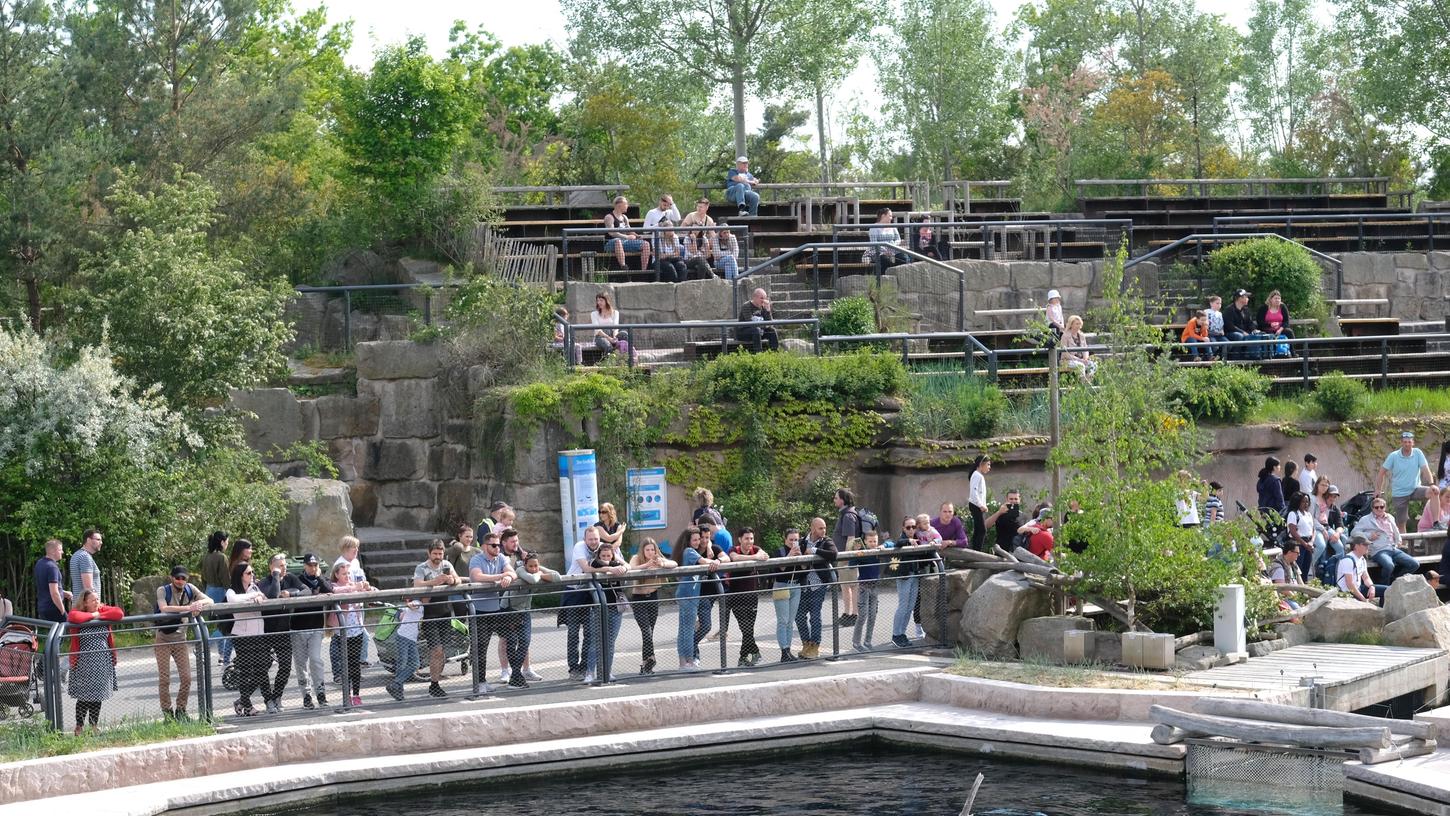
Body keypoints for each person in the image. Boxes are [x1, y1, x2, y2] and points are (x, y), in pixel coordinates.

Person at [153, 566, 211, 721]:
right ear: (172, 578)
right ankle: (167, 713)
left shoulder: (190, 589)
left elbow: (210, 600)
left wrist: (199, 605)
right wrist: (188, 608)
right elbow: (164, 608)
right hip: (163, 639)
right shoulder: (162, 590)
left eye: (183, 578)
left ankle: (181, 710)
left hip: (180, 640)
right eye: (178, 578)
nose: (180, 581)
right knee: (164, 679)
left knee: (186, 678)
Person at [256, 552, 307, 714]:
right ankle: (268, 700)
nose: (284, 568)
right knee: (262, 666)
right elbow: (272, 595)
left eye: (285, 565)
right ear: (271, 567)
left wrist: (292, 594)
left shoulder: (291, 578)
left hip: (283, 630)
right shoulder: (264, 582)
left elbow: (307, 591)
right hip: (266, 632)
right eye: (280, 566)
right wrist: (276, 576)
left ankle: (277, 696)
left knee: (285, 666)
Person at [66, 590, 122, 734]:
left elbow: (118, 613)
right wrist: (94, 616)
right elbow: (74, 616)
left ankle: (93, 725)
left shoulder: (101, 610)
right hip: (84, 663)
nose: (97, 602)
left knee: (98, 695)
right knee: (84, 696)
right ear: (84, 602)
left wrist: (99, 614)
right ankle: (79, 726)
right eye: (93, 600)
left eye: (97, 599)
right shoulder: (78, 612)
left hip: (102, 662)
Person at [469, 532, 518, 693]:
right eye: (494, 545)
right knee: (480, 648)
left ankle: (514, 675)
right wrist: (501, 576)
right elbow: (477, 577)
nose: (498, 548)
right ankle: (479, 683)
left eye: (499, 545)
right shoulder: (476, 559)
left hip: (495, 610)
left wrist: (508, 577)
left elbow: (513, 573)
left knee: (510, 639)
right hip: (479, 610)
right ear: (484, 546)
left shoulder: (502, 558)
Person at [505, 551, 560, 687]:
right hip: (510, 609)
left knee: (525, 641)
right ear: (525, 565)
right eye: (531, 566)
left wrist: (540, 571)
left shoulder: (537, 570)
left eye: (536, 566)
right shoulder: (520, 570)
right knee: (512, 642)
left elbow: (558, 577)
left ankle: (515, 675)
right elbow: (533, 580)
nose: (534, 568)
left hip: (525, 610)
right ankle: (516, 677)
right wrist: (540, 575)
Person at [414, 539, 461, 698]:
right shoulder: (421, 567)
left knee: (443, 652)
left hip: (445, 613)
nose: (438, 557)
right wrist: (435, 582)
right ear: (428, 553)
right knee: (436, 650)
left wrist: (452, 580)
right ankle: (434, 684)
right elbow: (417, 585)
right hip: (429, 614)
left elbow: (458, 579)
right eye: (435, 553)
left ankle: (436, 682)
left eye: (440, 554)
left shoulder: (447, 565)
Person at [675, 526, 724, 671]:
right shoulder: (689, 552)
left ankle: (684, 662)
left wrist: (711, 552)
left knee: (684, 630)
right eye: (695, 540)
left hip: (690, 595)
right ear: (688, 541)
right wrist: (716, 562)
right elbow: (704, 561)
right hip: (688, 595)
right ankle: (688, 661)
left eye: (699, 539)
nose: (698, 542)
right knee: (687, 630)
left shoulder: (689, 551)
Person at [226, 561, 269, 717]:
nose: (252, 576)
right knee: (246, 670)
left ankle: (242, 701)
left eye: (253, 573)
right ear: (240, 575)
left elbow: (264, 597)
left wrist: (259, 595)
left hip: (258, 634)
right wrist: (253, 596)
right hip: (242, 635)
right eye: (248, 573)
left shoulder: (255, 588)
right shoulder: (232, 590)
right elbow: (233, 600)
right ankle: (248, 705)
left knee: (262, 668)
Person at [627, 538, 675, 674]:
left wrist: (662, 563)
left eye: (652, 549)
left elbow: (674, 563)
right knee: (646, 632)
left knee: (649, 633)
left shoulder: (657, 558)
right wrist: (647, 565)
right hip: (639, 599)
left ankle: (645, 664)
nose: (650, 552)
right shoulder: (636, 558)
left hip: (653, 597)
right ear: (643, 550)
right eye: (647, 549)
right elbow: (631, 567)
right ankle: (651, 658)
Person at [562, 526, 604, 679]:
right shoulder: (579, 547)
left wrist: (623, 566)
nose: (594, 542)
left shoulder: (601, 547)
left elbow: (616, 558)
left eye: (596, 539)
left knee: (590, 633)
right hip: (573, 591)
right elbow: (586, 568)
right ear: (585, 539)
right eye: (591, 539)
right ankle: (574, 669)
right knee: (573, 632)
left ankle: (585, 667)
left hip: (589, 592)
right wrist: (610, 569)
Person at [291, 553, 332, 709]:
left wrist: (320, 578)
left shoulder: (322, 580)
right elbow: (298, 592)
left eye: (315, 565)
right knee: (301, 664)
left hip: (316, 628)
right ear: (304, 566)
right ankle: (306, 696)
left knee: (315, 660)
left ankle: (321, 693)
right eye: (310, 565)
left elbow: (330, 590)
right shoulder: (297, 580)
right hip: (297, 628)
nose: (313, 568)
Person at [890, 518, 937, 647]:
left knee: (910, 607)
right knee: (903, 606)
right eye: (908, 527)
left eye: (913, 527)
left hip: (915, 575)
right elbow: (897, 543)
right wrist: (908, 541)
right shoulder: (903, 538)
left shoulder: (918, 537)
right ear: (903, 528)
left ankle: (902, 633)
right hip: (904, 576)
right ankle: (896, 634)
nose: (911, 529)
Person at [586, 543, 628, 683]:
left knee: (610, 642)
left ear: (613, 555)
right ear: (599, 555)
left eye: (608, 556)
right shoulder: (595, 562)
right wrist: (611, 568)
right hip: (598, 608)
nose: (605, 558)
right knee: (595, 641)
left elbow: (627, 566)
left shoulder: (617, 563)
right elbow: (594, 564)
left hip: (615, 608)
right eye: (603, 555)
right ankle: (590, 672)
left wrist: (622, 567)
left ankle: (606, 672)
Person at [726, 527, 768, 667]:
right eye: (746, 538)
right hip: (736, 597)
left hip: (752, 596)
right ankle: (756, 653)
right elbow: (735, 558)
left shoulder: (756, 549)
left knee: (749, 629)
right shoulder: (733, 549)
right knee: (745, 628)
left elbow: (764, 555)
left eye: (751, 538)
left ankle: (742, 658)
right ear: (739, 539)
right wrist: (755, 558)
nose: (749, 541)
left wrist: (758, 554)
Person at [1377, 430, 1434, 532]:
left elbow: (1426, 469)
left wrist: (1432, 484)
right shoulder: (1394, 456)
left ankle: (1436, 522)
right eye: (1405, 442)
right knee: (1401, 521)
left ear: (1413, 443)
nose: (1407, 444)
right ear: (1401, 443)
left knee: (1435, 492)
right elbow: (1381, 472)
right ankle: (1403, 544)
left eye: (1409, 442)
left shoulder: (1417, 453)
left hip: (1415, 488)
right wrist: (1378, 489)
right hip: (1400, 492)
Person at [327, 563, 367, 706]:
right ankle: (346, 694)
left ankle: (356, 694)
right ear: (337, 575)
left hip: (357, 630)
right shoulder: (334, 585)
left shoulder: (353, 584)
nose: (347, 576)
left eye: (348, 574)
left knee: (355, 664)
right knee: (345, 664)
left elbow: (364, 592)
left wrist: (366, 587)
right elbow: (336, 591)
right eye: (344, 574)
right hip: (342, 632)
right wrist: (354, 587)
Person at [1352, 497, 1418, 583]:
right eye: (1376, 507)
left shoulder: (1390, 517)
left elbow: (1396, 530)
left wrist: (1398, 540)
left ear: (1385, 507)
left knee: (1414, 564)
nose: (1379, 509)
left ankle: (1394, 580)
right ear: (1372, 508)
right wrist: (1369, 536)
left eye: (1382, 507)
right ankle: (1384, 587)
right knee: (1389, 565)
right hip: (1378, 550)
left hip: (1393, 549)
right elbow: (1354, 532)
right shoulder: (1365, 519)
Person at [796, 517, 836, 659]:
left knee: (815, 616)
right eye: (820, 528)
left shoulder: (826, 541)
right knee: (799, 616)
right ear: (812, 528)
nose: (823, 531)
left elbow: (833, 554)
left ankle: (815, 645)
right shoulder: (801, 541)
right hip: (803, 585)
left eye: (824, 528)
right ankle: (806, 644)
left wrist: (814, 550)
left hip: (818, 584)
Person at [771, 528, 806, 663]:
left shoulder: (800, 551)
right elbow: (780, 568)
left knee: (790, 622)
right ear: (785, 540)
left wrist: (801, 557)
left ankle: (788, 649)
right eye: (791, 540)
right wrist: (789, 555)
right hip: (782, 586)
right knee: (783, 620)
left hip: (795, 586)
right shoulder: (780, 551)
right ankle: (783, 651)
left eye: (796, 539)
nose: (793, 542)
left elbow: (804, 569)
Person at [832, 488, 863, 624]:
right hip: (845, 555)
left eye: (836, 497)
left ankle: (854, 614)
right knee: (846, 585)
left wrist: (846, 557)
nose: (834, 500)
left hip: (846, 556)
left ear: (842, 500)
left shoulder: (848, 515)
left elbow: (851, 538)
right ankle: (848, 612)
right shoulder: (846, 514)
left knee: (851, 585)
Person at [385, 598, 424, 701]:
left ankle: (395, 685)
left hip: (411, 638)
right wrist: (410, 605)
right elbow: (411, 605)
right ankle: (398, 690)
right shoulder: (418, 603)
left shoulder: (422, 605)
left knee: (414, 664)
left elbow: (403, 615)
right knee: (403, 663)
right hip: (403, 636)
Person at [851, 529, 883, 652]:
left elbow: (891, 543)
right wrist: (856, 553)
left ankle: (868, 641)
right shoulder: (862, 553)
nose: (873, 544)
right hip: (863, 587)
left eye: (875, 541)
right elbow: (851, 565)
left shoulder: (878, 551)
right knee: (862, 616)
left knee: (873, 615)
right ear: (865, 542)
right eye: (870, 541)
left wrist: (884, 545)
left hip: (875, 586)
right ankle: (856, 643)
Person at [602, 195, 652, 271]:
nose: (627, 206)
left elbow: (629, 230)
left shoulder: (625, 217)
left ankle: (643, 270)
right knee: (617, 241)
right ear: (619, 205)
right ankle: (623, 266)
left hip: (625, 243)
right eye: (626, 204)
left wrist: (637, 236)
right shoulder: (609, 217)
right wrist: (627, 237)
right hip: (611, 243)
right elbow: (611, 233)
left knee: (646, 244)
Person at [1338, 535, 1384, 604]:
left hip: (1358, 589)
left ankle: (1382, 613)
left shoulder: (1362, 559)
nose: (1367, 547)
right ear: (1356, 546)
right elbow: (1349, 584)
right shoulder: (1348, 560)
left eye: (1368, 545)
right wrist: (1363, 599)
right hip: (1348, 592)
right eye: (1365, 545)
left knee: (1388, 590)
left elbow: (1366, 577)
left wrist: (1372, 587)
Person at [34, 539, 69, 624]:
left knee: (51, 635)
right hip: (53, 608)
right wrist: (62, 610)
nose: (62, 552)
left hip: (43, 607)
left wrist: (64, 593)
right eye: (60, 550)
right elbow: (54, 593)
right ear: (53, 551)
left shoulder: (40, 563)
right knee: (60, 635)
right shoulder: (52, 567)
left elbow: (45, 586)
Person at [736, 287, 779, 353]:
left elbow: (770, 324)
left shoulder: (763, 306)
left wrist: (768, 310)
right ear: (755, 298)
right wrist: (765, 326)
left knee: (772, 330)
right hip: (744, 332)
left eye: (765, 298)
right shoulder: (746, 306)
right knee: (756, 330)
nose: (763, 300)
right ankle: (759, 354)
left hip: (758, 332)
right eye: (761, 298)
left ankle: (775, 352)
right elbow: (750, 323)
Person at [865, 208, 905, 277]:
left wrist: (892, 246)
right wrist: (885, 250)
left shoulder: (893, 227)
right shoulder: (874, 228)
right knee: (885, 260)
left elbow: (898, 239)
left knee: (904, 258)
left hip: (893, 249)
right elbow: (874, 243)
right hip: (879, 251)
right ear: (883, 216)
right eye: (889, 216)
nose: (891, 218)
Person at [590, 292, 631, 358]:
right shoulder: (594, 314)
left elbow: (615, 327)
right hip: (601, 337)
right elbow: (598, 330)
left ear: (607, 301)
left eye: (601, 300)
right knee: (608, 346)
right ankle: (611, 363)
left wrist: (614, 337)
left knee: (624, 334)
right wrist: (609, 339)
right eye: (597, 300)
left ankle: (628, 357)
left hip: (613, 335)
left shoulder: (615, 313)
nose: (599, 302)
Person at [1223, 289, 1260, 358]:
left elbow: (1250, 323)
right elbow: (1230, 326)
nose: (1248, 299)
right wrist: (1242, 332)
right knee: (1239, 336)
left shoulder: (1246, 310)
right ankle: (1236, 358)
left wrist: (1254, 329)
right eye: (1246, 297)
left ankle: (1252, 356)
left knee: (1257, 335)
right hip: (1231, 333)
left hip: (1245, 332)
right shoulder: (1229, 310)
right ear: (1240, 298)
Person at [69, 528, 103, 602]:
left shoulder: (76, 555)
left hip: (80, 605)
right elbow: (88, 588)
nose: (101, 542)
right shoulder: (85, 557)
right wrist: (96, 603)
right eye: (98, 539)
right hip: (87, 607)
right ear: (88, 540)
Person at [968, 456, 991, 552]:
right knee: (982, 530)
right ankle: (977, 552)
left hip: (976, 505)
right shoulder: (977, 475)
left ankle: (975, 551)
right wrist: (980, 505)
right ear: (981, 464)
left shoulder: (977, 475)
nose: (989, 467)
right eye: (988, 464)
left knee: (978, 530)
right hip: (976, 505)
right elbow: (974, 491)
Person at [1204, 295, 1226, 361]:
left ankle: (1220, 358)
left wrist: (1222, 330)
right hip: (1210, 333)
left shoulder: (1220, 314)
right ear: (1211, 303)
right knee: (1215, 346)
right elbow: (1204, 324)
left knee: (1228, 344)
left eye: (1220, 303)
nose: (1219, 305)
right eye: (1217, 303)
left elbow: (1221, 324)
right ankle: (1211, 359)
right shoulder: (1206, 312)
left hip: (1219, 334)